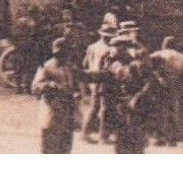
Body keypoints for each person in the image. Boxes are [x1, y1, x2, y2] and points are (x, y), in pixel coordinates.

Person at [32, 37, 81, 154]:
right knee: (50, 150)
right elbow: (35, 87)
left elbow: (80, 80)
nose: (70, 54)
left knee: (65, 149)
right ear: (59, 52)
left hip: (67, 116)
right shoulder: (46, 67)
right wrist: (52, 85)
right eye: (67, 51)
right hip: (52, 116)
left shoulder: (69, 67)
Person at [80, 14, 118, 143]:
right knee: (105, 109)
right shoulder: (109, 49)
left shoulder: (92, 47)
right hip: (104, 81)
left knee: (93, 107)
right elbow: (108, 67)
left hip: (93, 80)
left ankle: (84, 133)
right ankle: (103, 136)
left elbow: (84, 63)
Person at [150, 36, 183, 146]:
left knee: (160, 110)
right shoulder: (181, 56)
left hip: (160, 83)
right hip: (176, 84)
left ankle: (159, 136)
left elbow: (149, 67)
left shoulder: (157, 54)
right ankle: (172, 138)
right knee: (175, 110)